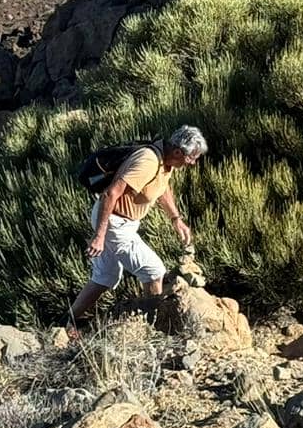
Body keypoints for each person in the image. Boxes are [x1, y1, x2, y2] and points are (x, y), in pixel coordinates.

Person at [69, 125, 208, 333]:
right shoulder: (148, 161)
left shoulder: (165, 161)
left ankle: (67, 322)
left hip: (121, 222)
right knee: (153, 272)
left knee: (105, 276)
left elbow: (162, 188)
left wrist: (176, 218)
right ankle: (154, 328)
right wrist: (100, 235)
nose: (193, 163)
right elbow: (110, 194)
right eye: (192, 158)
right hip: (114, 223)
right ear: (179, 152)